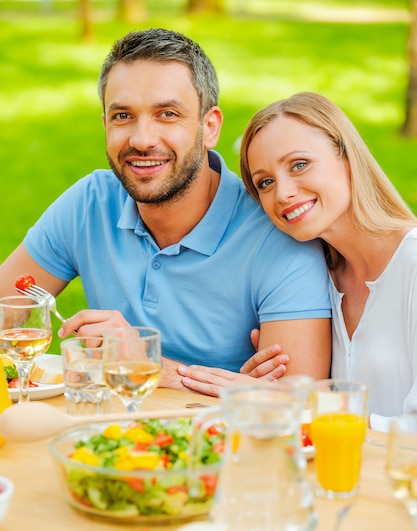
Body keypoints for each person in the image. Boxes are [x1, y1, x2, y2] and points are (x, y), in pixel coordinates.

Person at [0, 31, 331, 391]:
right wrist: (228, 387)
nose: (142, 139)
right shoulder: (89, 203)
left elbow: (297, 403)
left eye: (167, 114)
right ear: (105, 125)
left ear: (209, 127)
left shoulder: (276, 234)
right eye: (123, 116)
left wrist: (147, 361)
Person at [182, 91, 417, 429]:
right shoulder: (317, 277)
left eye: (299, 165)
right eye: (265, 182)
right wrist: (278, 385)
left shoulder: (411, 263)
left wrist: (292, 408)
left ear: (347, 157)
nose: (283, 193)